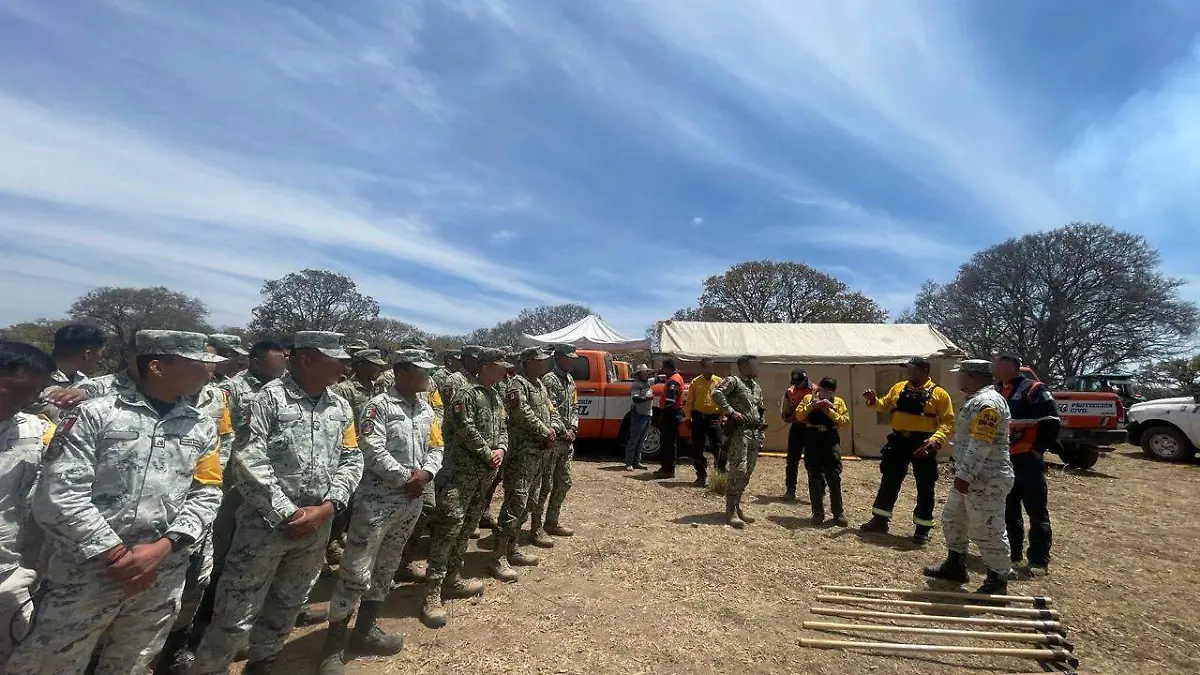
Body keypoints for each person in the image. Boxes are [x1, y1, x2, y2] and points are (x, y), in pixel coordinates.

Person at [7, 330, 224, 675]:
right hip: (89, 569)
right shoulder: (95, 414)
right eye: (198, 364)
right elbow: (60, 494)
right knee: (49, 663)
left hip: (160, 573)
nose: (209, 371)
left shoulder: (201, 426)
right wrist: (117, 555)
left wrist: (163, 548)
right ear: (157, 366)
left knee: (132, 663)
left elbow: (208, 491)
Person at [192, 331, 363, 675]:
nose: (343, 363)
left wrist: (328, 508)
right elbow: (248, 459)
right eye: (335, 357)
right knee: (235, 613)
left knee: (289, 603)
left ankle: (263, 664)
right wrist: (289, 513)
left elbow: (352, 457)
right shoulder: (266, 398)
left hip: (317, 526)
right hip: (266, 526)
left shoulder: (340, 406)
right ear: (306, 359)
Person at [318, 350, 444, 674]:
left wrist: (427, 473)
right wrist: (407, 477)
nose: (427, 376)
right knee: (356, 571)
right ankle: (333, 648)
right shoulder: (378, 406)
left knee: (386, 568)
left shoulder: (427, 410)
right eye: (421, 370)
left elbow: (437, 446)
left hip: (410, 503)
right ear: (401, 373)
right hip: (377, 502)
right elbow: (371, 449)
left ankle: (366, 631)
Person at [421, 348, 510, 628]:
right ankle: (432, 593)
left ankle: (453, 579)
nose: (505, 370)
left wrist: (502, 448)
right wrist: (489, 454)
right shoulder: (465, 394)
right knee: (450, 527)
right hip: (459, 474)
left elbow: (504, 427)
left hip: (483, 474)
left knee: (469, 523)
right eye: (500, 366)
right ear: (485, 367)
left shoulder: (495, 394)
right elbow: (465, 429)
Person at [160, 345, 236, 674]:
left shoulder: (216, 397)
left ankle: (174, 651)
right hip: (131, 528)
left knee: (195, 581)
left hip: (196, 512)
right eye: (200, 365)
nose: (209, 370)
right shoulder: (100, 398)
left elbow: (225, 438)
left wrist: (210, 480)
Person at [924, 359, 1014, 595]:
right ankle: (955, 565)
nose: (957, 378)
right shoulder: (975, 400)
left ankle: (997, 579)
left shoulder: (988, 403)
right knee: (953, 519)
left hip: (985, 477)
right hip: (969, 474)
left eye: (960, 374)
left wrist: (965, 475)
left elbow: (982, 443)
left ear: (971, 376)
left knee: (987, 527)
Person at [0, 341, 58, 669]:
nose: (27, 401)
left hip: (8, 575)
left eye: (35, 393)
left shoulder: (36, 431)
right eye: (19, 390)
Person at [859, 356, 956, 545]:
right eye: (907, 369)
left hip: (923, 442)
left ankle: (922, 528)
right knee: (889, 480)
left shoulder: (939, 394)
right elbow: (883, 405)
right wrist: (872, 401)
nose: (908, 372)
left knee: (925, 485)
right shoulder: (899, 387)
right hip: (899, 440)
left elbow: (948, 422)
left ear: (924, 372)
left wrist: (936, 440)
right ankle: (880, 519)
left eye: (912, 369)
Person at [490, 346, 561, 583]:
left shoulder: (539, 384)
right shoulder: (517, 384)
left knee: (530, 501)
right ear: (529, 362)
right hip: (522, 454)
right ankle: (498, 556)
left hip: (539, 452)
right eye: (539, 360)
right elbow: (521, 412)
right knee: (515, 502)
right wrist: (545, 431)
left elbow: (550, 411)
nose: (544, 364)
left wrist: (553, 429)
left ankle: (513, 548)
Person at [993, 354, 1058, 578]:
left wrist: (1038, 449)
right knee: (1008, 509)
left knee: (1036, 510)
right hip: (1004, 459)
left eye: (997, 365)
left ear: (1011, 366)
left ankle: (1039, 559)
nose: (994, 369)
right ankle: (1012, 553)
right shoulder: (997, 390)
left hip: (1028, 460)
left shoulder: (1034, 389)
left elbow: (1052, 421)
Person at [530, 343, 580, 546]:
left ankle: (552, 521)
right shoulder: (549, 380)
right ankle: (536, 527)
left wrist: (574, 428)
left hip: (567, 441)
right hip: (553, 441)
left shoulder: (569, 379)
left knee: (564, 481)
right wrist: (563, 431)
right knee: (545, 486)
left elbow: (575, 406)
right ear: (558, 357)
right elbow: (552, 410)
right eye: (569, 357)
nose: (573, 360)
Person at [712, 355, 765, 529]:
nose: (757, 368)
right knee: (738, 469)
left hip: (754, 432)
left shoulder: (756, 387)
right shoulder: (733, 381)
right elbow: (716, 392)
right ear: (745, 366)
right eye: (754, 365)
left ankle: (737, 506)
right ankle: (730, 511)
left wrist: (761, 431)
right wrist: (731, 412)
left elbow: (759, 408)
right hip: (739, 432)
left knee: (748, 470)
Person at [794, 377, 851, 526]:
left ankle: (838, 513)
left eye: (830, 390)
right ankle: (817, 513)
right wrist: (813, 406)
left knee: (834, 475)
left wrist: (828, 410)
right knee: (814, 476)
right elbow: (799, 415)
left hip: (830, 438)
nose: (826, 392)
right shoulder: (809, 398)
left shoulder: (838, 402)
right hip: (813, 437)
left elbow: (845, 421)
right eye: (824, 389)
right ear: (819, 388)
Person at [26, 322, 106, 420]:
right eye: (101, 354)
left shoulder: (83, 381)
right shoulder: (34, 378)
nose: (101, 360)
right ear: (87, 354)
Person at [684, 358, 724, 487]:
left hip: (714, 417)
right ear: (702, 368)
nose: (709, 370)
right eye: (707, 367)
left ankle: (720, 473)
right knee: (697, 447)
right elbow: (689, 401)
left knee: (717, 446)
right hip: (698, 417)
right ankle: (701, 475)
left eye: (711, 367)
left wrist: (723, 417)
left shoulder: (719, 381)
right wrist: (687, 417)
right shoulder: (695, 382)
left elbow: (724, 400)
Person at [781, 369, 817, 501]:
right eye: (795, 382)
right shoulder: (790, 391)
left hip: (812, 428)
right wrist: (787, 415)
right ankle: (790, 490)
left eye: (800, 382)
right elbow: (785, 411)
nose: (798, 385)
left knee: (812, 461)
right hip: (797, 428)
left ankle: (818, 491)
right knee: (792, 461)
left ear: (806, 380)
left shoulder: (815, 390)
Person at [334, 348, 389, 426]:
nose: (380, 369)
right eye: (376, 365)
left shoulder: (378, 388)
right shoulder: (344, 390)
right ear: (361, 366)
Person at [652, 359, 686, 478]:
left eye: (664, 368)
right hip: (673, 413)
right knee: (667, 442)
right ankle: (666, 467)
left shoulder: (673, 381)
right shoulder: (676, 377)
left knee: (668, 442)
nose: (663, 370)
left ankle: (668, 469)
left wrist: (663, 414)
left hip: (671, 413)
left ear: (668, 368)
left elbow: (670, 401)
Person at [625, 364, 654, 471]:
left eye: (647, 372)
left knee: (642, 439)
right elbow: (636, 399)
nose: (647, 374)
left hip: (647, 414)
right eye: (645, 372)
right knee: (634, 439)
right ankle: (629, 463)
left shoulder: (648, 382)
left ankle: (637, 461)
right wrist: (647, 398)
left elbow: (659, 379)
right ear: (639, 374)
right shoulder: (636, 385)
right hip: (639, 414)